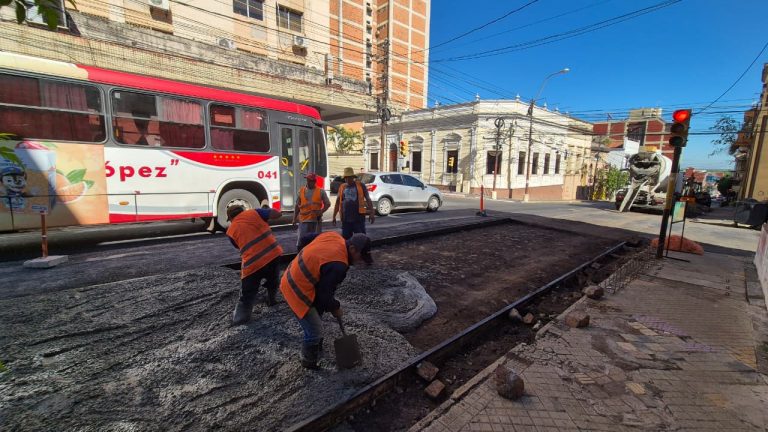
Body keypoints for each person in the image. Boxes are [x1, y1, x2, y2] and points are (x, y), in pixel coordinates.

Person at [280, 231, 373, 369]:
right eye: (361, 256)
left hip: (292, 275)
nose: (360, 260)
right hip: (297, 289)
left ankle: (317, 347)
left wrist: (306, 258)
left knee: (318, 311)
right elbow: (324, 295)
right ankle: (308, 361)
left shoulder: (334, 236)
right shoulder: (338, 265)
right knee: (315, 331)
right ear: (353, 249)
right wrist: (335, 307)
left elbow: (305, 238)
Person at [226, 204, 283, 325]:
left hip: (253, 264)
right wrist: (266, 211)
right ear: (242, 211)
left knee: (247, 293)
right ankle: (272, 300)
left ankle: (240, 318)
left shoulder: (230, 231)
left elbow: (238, 246)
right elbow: (277, 214)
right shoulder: (254, 213)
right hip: (273, 254)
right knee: (273, 280)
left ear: (230, 218)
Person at [332, 167, 374, 239]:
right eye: (346, 178)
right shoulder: (342, 187)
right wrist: (334, 216)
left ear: (353, 177)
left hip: (358, 218)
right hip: (346, 219)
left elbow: (368, 199)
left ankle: (363, 250)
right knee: (346, 240)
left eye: (349, 177)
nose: (347, 179)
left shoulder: (361, 185)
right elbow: (338, 201)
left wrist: (372, 212)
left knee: (361, 238)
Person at [292, 172, 331, 247]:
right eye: (307, 180)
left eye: (310, 180)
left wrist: (321, 211)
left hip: (315, 220)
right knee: (302, 242)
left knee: (316, 242)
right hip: (304, 220)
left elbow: (328, 204)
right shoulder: (301, 191)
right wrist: (294, 218)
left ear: (314, 181)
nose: (308, 182)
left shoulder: (321, 191)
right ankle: (301, 255)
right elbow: (297, 206)